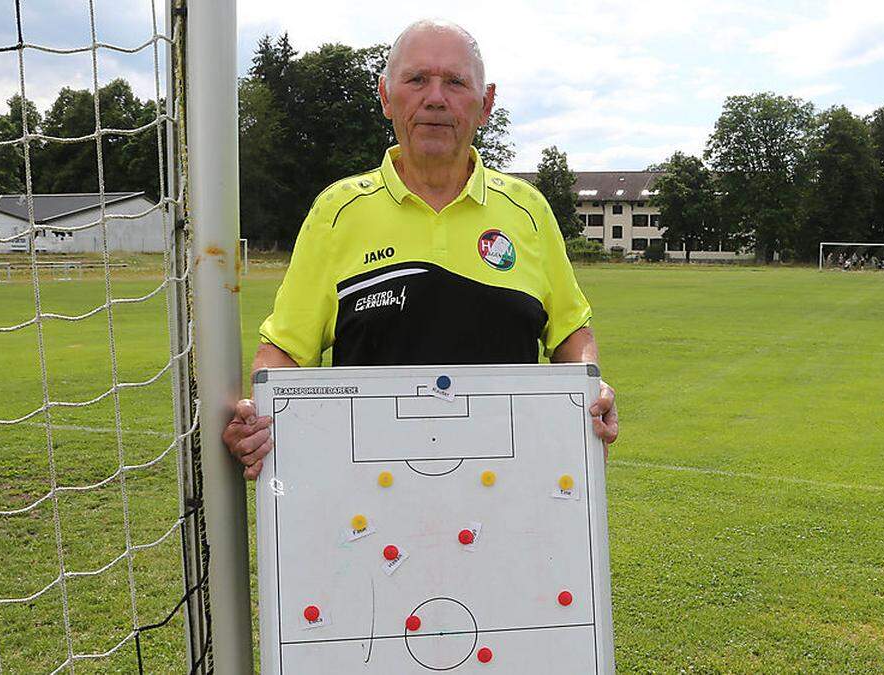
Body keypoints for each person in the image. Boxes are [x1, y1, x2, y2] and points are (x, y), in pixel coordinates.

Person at [224, 19, 619, 479]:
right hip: (372, 490)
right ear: (386, 96)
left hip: (509, 485)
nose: (435, 97)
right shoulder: (338, 212)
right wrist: (261, 411)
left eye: (455, 82)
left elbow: (572, 333)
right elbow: (286, 351)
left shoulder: (528, 211)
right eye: (416, 80)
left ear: (485, 102)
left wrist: (592, 386)